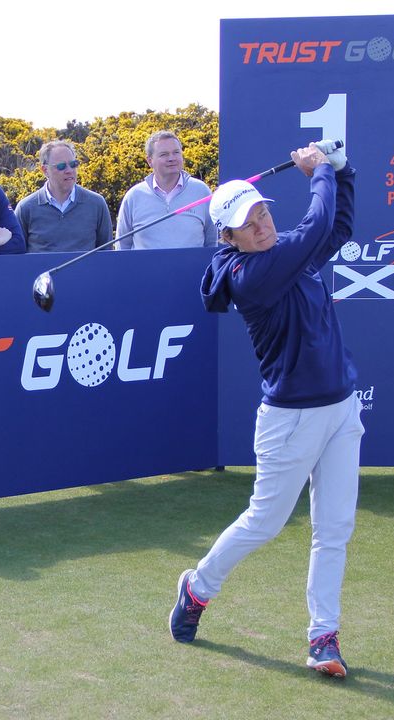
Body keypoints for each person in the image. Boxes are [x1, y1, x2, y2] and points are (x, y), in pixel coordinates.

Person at [172, 141, 361, 680]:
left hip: (342, 409)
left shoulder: (283, 255)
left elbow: (336, 225)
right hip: (290, 420)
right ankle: (197, 588)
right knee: (265, 522)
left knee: (335, 528)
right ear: (227, 238)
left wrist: (342, 173)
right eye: (247, 224)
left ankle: (324, 636)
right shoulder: (252, 275)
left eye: (263, 213)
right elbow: (318, 220)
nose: (262, 226)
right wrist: (320, 170)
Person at [115, 130, 215, 249]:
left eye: (176, 152)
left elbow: (212, 243)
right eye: (164, 154)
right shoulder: (134, 196)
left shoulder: (202, 192)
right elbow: (122, 246)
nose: (171, 158)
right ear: (149, 161)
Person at [15, 140, 113, 253]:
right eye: (61, 166)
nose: (69, 171)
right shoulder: (26, 208)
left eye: (73, 164)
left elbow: (106, 253)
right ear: (45, 170)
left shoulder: (96, 204)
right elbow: (18, 257)